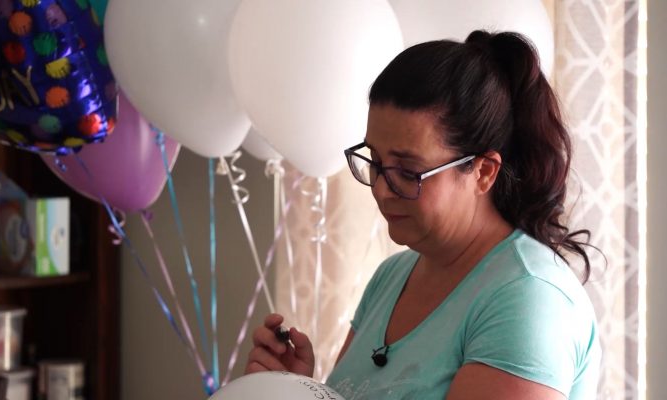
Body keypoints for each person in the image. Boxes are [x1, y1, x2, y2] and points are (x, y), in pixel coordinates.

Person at [244, 30, 601, 400]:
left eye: (408, 171)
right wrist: (299, 389)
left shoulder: (528, 298)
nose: (382, 189)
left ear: (483, 172)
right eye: (376, 162)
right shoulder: (392, 276)